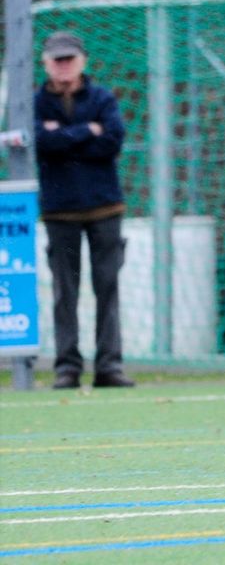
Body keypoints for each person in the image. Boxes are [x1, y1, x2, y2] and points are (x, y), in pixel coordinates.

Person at [34, 31, 134, 389]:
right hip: (59, 212)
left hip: (105, 208)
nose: (63, 66)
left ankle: (109, 366)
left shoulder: (103, 98)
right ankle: (67, 367)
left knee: (107, 288)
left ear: (82, 61)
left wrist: (63, 137)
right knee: (65, 292)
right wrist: (84, 132)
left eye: (69, 59)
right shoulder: (34, 102)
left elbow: (111, 141)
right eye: (57, 60)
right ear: (46, 64)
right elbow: (40, 144)